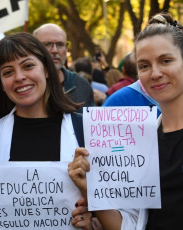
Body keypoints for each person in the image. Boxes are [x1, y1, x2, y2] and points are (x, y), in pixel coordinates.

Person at [0, 32, 105, 230]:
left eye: (28, 66)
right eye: (8, 72)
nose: (20, 77)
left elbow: (113, 212)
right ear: (2, 84)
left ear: (47, 70)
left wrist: (93, 222)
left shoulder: (85, 131)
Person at [68, 12, 183, 229]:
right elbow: (129, 225)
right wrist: (90, 190)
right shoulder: (141, 142)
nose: (155, 73)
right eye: (144, 66)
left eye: (165, 60)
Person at [33, 23, 95, 113]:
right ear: (34, 48)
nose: (55, 50)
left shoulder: (81, 85)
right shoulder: (26, 85)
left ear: (66, 49)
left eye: (60, 44)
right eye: (47, 44)